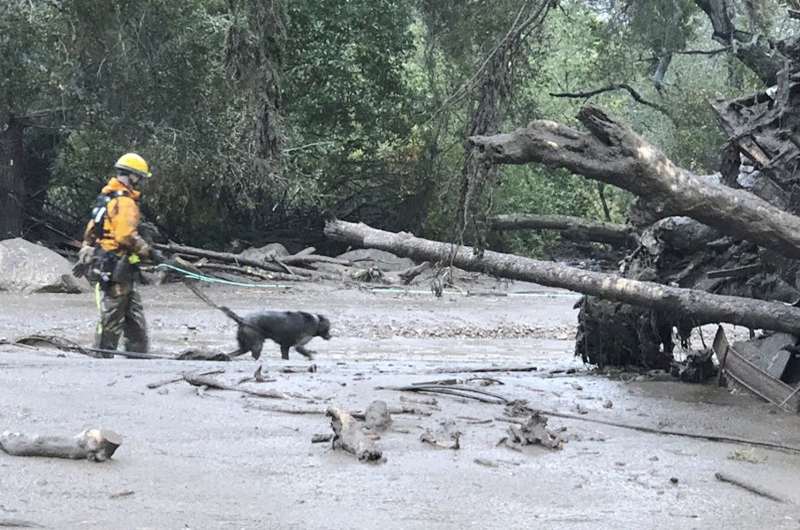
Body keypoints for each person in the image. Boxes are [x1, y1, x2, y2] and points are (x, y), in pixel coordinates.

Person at [74, 153, 156, 355]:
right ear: (132, 176)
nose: (141, 182)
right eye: (140, 178)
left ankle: (139, 355)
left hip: (115, 265)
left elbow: (91, 231)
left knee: (133, 314)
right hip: (117, 265)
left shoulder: (107, 197)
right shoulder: (124, 202)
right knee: (112, 315)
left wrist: (88, 247)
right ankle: (102, 355)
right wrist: (146, 250)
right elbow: (125, 237)